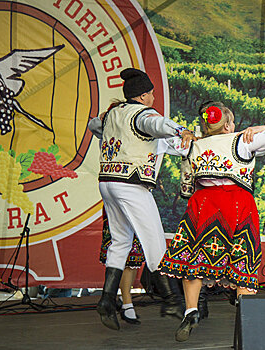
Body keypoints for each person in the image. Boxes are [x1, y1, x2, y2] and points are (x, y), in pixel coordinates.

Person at [158, 103, 265, 342]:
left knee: (192, 257)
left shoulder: (193, 143)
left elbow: (157, 140)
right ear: (227, 125)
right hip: (236, 206)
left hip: (203, 205)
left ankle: (191, 310)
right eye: (233, 123)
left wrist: (182, 132)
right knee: (242, 259)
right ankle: (244, 314)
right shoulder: (241, 141)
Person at [88, 67, 195, 330]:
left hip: (108, 183)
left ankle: (106, 299)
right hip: (131, 184)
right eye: (152, 94)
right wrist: (180, 130)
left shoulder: (114, 113)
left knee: (120, 241)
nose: (154, 99)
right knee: (154, 240)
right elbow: (156, 124)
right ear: (143, 95)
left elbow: (94, 125)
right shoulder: (143, 114)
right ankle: (170, 299)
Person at [99, 209, 144, 324]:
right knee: (124, 252)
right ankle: (127, 302)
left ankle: (124, 299)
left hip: (136, 203)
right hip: (120, 202)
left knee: (135, 254)